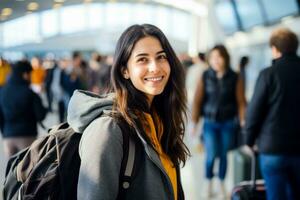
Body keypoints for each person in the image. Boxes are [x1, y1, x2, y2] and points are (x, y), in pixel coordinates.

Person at [67, 24, 189, 200]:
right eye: (142, 59)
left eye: (161, 57)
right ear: (124, 70)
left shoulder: (159, 118)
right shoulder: (108, 130)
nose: (155, 67)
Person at [244, 28, 300, 200]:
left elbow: (254, 111)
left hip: (272, 148)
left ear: (275, 49)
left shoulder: (268, 74)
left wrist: (249, 140)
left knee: (276, 195)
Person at [191, 45, 246, 197]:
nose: (216, 60)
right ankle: (208, 181)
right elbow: (197, 100)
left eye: (219, 57)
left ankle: (221, 183)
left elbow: (241, 101)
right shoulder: (205, 76)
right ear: (209, 59)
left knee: (223, 154)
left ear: (225, 58)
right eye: (213, 57)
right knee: (211, 154)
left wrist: (243, 120)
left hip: (228, 122)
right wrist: (194, 123)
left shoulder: (235, 77)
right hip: (209, 122)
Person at [0, 60, 47, 157]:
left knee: (12, 169)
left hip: (8, 138)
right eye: (30, 74)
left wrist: (5, 133)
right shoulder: (30, 93)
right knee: (27, 169)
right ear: (25, 74)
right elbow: (40, 115)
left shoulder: (3, 92)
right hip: (27, 136)